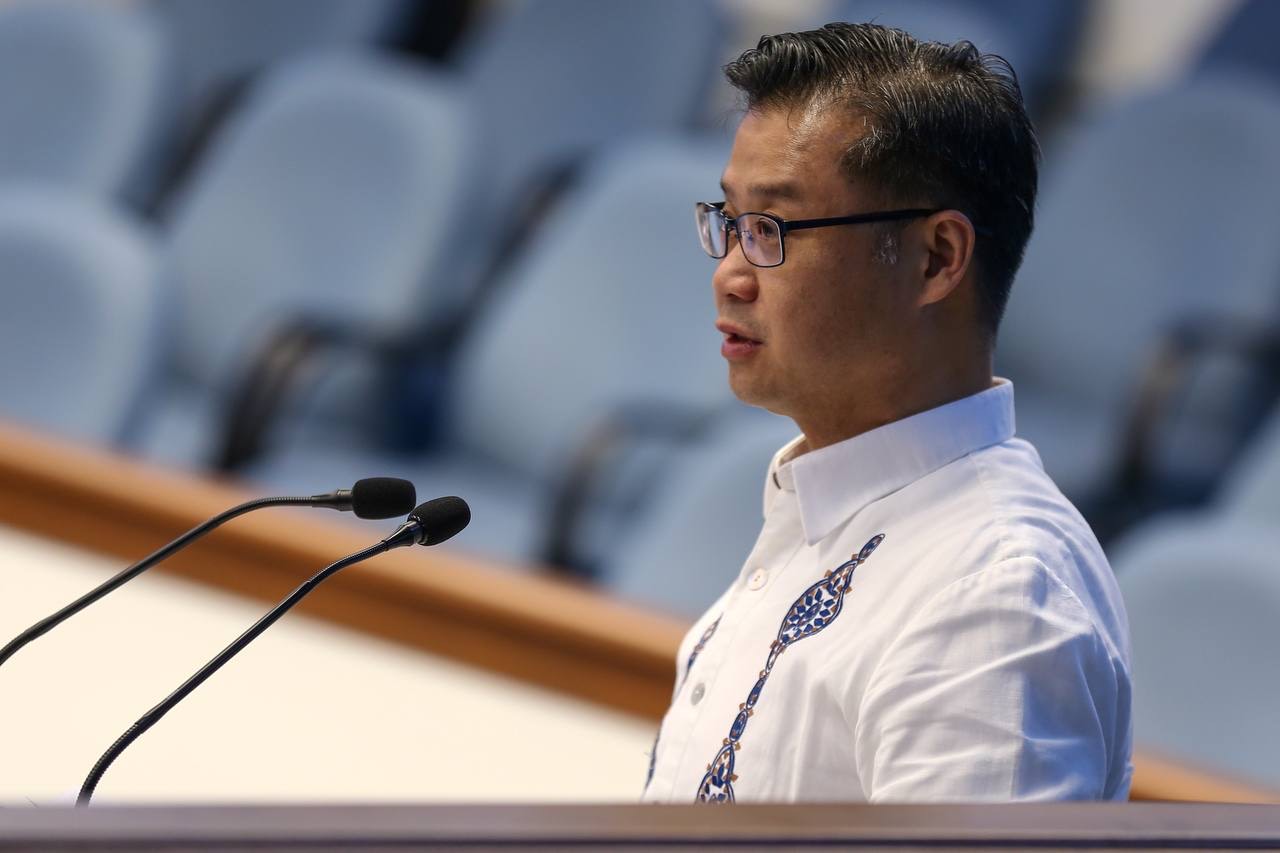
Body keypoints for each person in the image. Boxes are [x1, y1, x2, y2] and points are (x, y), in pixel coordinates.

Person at [641, 23, 1132, 803]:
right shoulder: (822, 507)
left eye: (771, 230)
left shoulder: (995, 597)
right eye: (730, 223)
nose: (730, 274)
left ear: (936, 258)